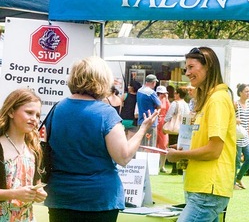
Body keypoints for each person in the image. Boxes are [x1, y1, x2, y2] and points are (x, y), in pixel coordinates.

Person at [44, 56, 159, 222]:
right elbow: (123, 157)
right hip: (98, 198)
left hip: (61, 195)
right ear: (103, 80)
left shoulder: (57, 108)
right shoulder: (105, 113)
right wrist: (143, 129)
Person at [166, 47, 236, 222]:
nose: (187, 73)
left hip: (208, 189)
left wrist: (181, 154)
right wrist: (185, 149)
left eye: (191, 67)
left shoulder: (217, 99)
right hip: (202, 187)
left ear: (208, 66)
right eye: (186, 68)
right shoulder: (211, 99)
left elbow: (214, 150)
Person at [0, 88, 47, 221]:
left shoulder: (34, 150)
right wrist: (14, 194)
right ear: (10, 112)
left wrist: (39, 193)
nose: (34, 119)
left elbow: (36, 183)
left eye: (38, 115)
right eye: (29, 112)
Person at [233, 83, 249, 190]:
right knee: (236, 161)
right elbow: (229, 117)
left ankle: (238, 178)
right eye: (246, 91)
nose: (248, 93)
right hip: (237, 136)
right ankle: (232, 183)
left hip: (245, 136)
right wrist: (235, 120)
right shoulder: (235, 104)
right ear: (240, 92)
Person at [136, 74, 161, 147]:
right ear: (153, 82)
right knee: (150, 145)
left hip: (141, 121)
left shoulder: (139, 91)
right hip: (151, 122)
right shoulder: (151, 92)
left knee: (141, 144)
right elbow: (159, 105)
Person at [156, 85, 170, 173]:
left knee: (164, 144)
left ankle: (162, 165)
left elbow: (169, 110)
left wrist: (167, 99)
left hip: (163, 122)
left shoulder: (166, 101)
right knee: (153, 143)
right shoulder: (154, 99)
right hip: (155, 121)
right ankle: (153, 164)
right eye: (162, 94)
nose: (163, 95)